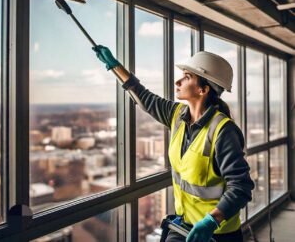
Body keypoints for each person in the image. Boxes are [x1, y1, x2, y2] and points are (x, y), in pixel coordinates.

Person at [92, 45, 254, 242]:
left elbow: (241, 186)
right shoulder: (177, 115)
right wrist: (115, 66)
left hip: (217, 233)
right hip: (185, 224)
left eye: (186, 77)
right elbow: (145, 98)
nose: (177, 81)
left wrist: (212, 220)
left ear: (203, 89)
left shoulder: (223, 131)